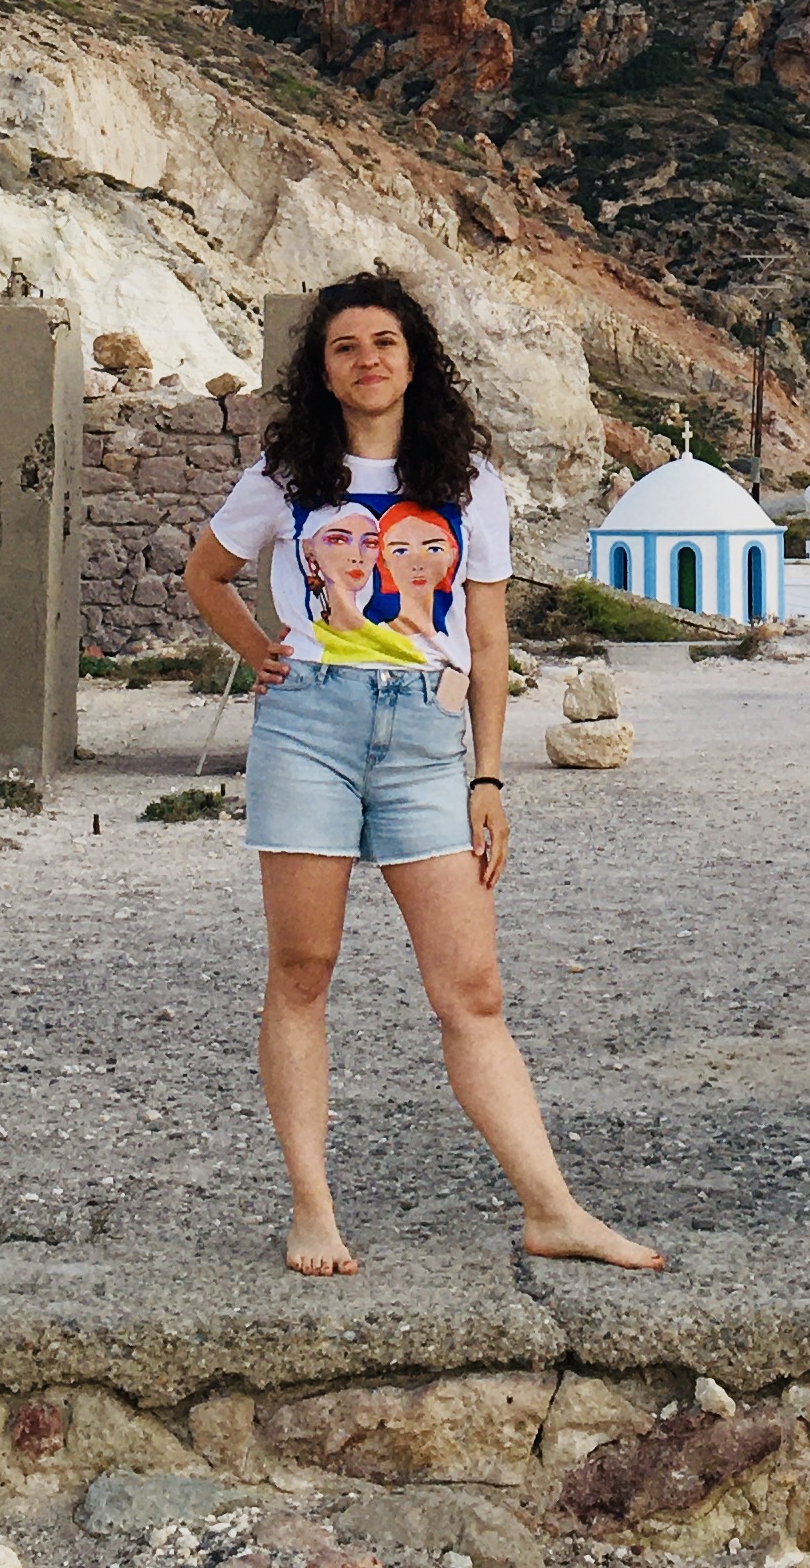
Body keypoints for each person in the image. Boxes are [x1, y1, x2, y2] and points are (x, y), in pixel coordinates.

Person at [185, 271, 662, 1279]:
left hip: (426, 741)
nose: (366, 360)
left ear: (413, 360)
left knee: (471, 987)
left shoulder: (466, 478)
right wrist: (262, 649)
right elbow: (206, 572)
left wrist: (488, 778)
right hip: (309, 726)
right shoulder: (288, 471)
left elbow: (486, 639)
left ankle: (553, 1209)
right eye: (345, 346)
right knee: (303, 970)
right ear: (324, 370)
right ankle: (312, 1209)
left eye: (384, 343)